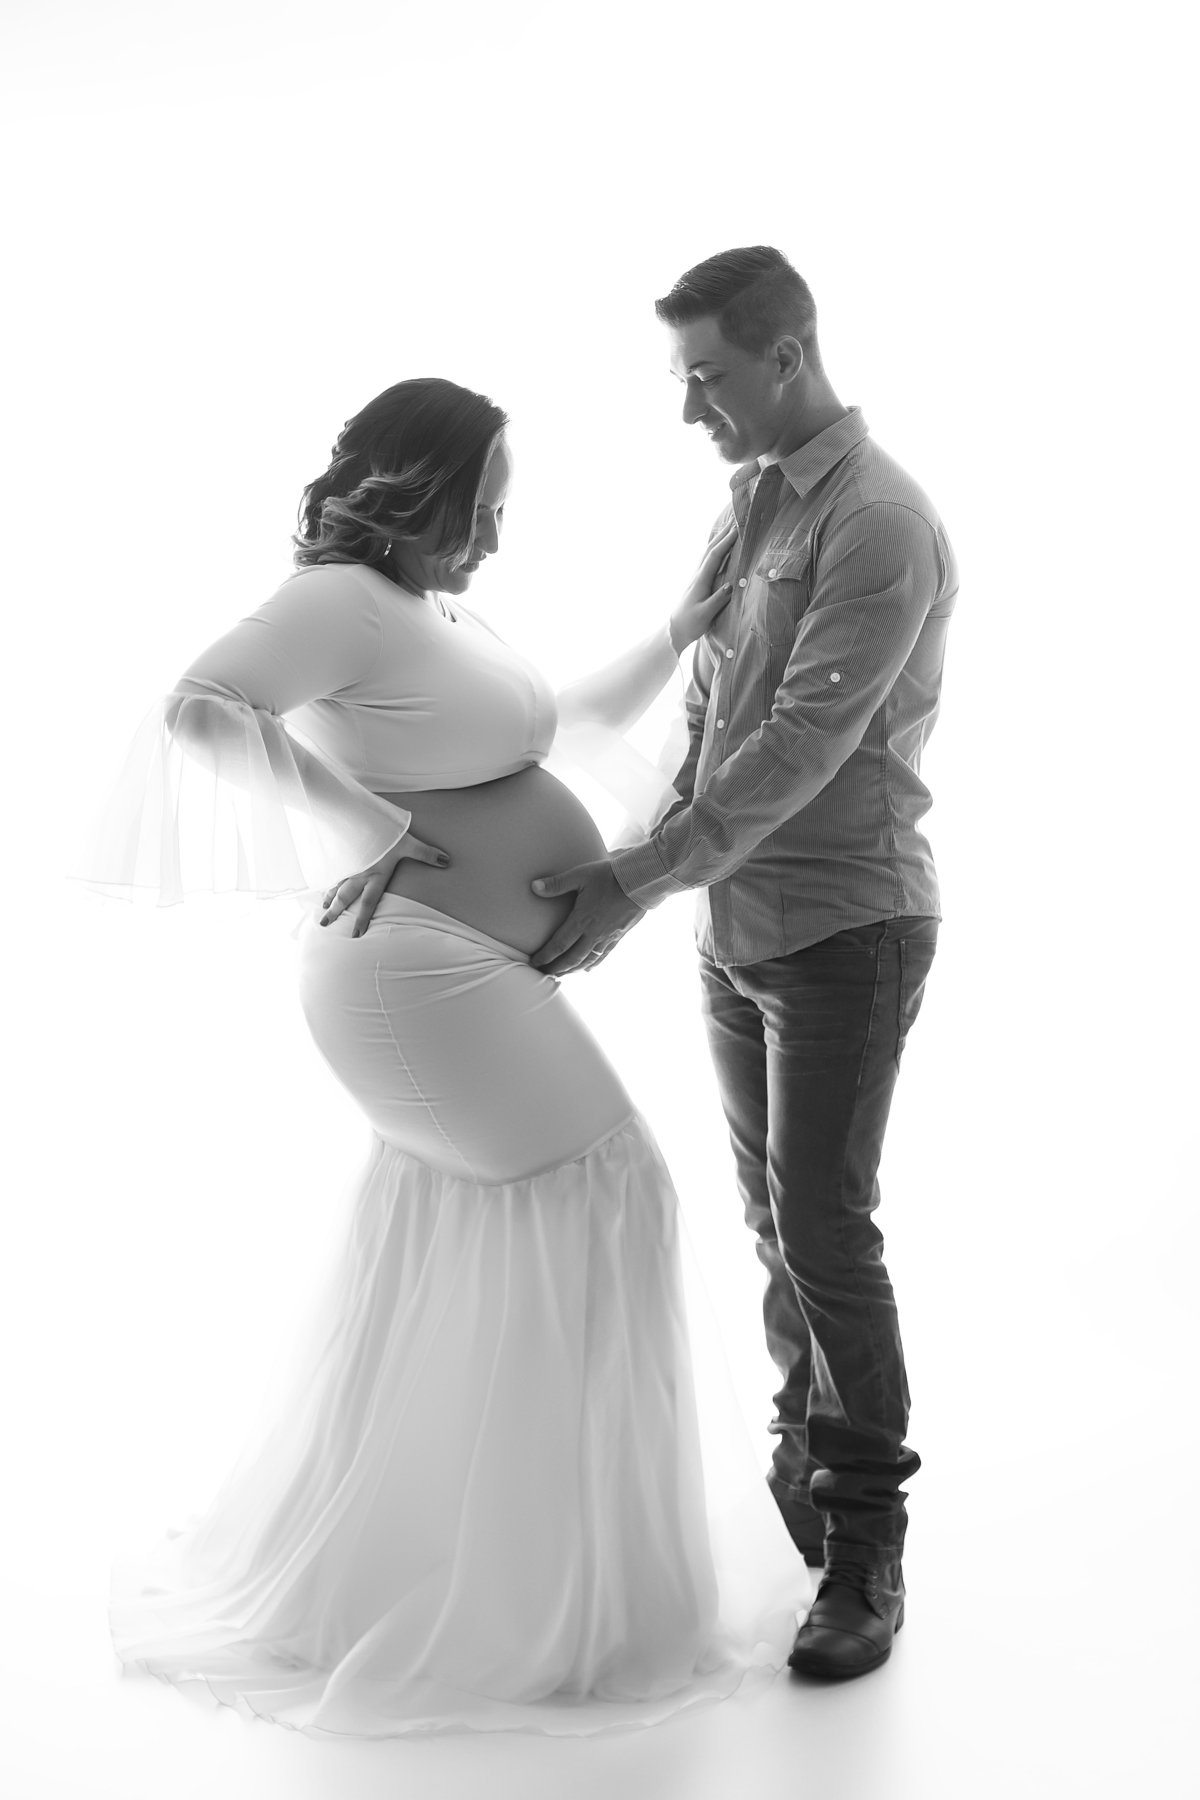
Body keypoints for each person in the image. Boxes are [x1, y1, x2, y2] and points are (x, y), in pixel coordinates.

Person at [78, 376, 808, 1736]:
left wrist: (679, 631)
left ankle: (487, 1574)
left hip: (444, 974)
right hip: (410, 972)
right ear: (410, 492)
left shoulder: (429, 612)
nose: (492, 537)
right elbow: (201, 706)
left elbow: (548, 729)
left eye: (500, 511)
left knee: (482, 1230)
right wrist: (359, 823)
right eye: (478, 508)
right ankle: (540, 1598)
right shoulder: (343, 597)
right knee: (610, 1195)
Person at [532, 247, 958, 1681]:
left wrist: (634, 881)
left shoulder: (879, 521)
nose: (689, 410)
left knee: (826, 1229)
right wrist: (632, 875)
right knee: (775, 1223)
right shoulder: (753, 502)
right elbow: (710, 720)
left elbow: (798, 749)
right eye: (682, 379)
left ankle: (865, 1552)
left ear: (788, 355)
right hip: (735, 928)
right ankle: (803, 1460)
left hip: (847, 928)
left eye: (707, 377)